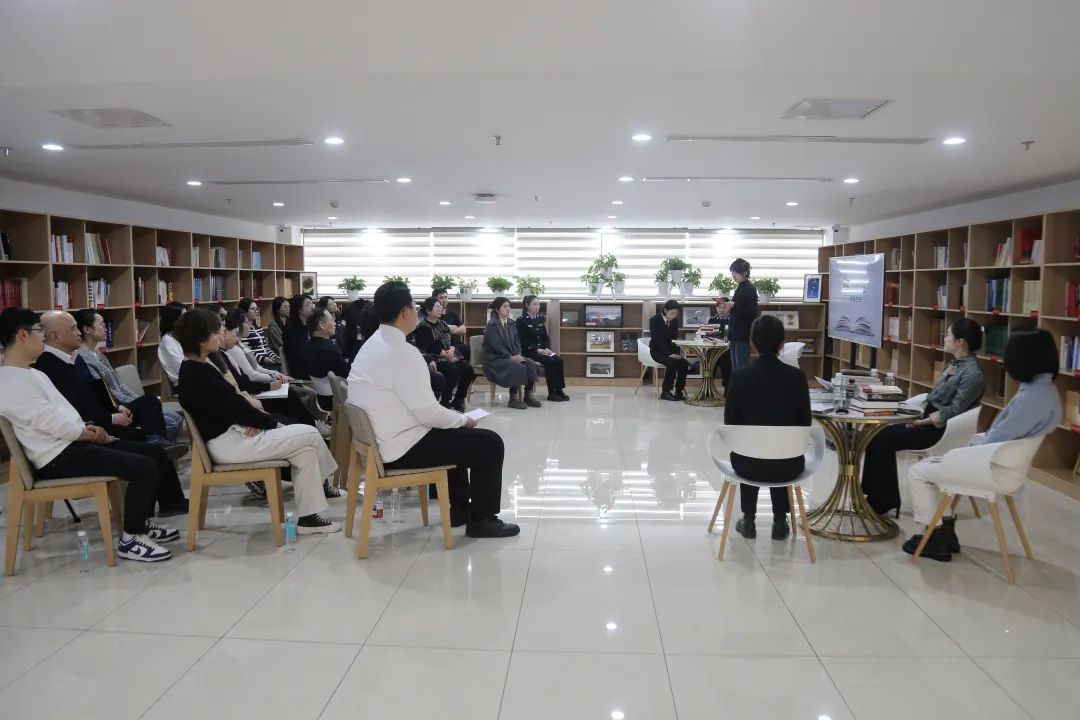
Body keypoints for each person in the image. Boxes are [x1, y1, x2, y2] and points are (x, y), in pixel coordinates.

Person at [0, 307, 179, 561]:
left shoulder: (32, 373)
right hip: (57, 456)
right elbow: (47, 422)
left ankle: (141, 523)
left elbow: (63, 413)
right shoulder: (10, 380)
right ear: (22, 335)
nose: (43, 337)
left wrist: (90, 429)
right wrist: (89, 434)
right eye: (39, 331)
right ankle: (131, 539)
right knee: (144, 467)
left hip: (72, 443)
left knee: (155, 453)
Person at [349, 282, 519, 538]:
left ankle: (460, 510)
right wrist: (462, 420)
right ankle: (482, 520)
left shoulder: (373, 344)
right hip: (401, 448)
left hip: (381, 441)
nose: (417, 312)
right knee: (490, 444)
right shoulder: (402, 352)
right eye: (414, 307)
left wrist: (454, 422)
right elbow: (427, 411)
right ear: (404, 313)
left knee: (454, 436)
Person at [175, 308, 341, 534]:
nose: (221, 334)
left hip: (235, 435)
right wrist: (272, 424)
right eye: (216, 331)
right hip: (230, 444)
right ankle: (328, 478)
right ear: (201, 339)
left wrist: (252, 421)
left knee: (305, 452)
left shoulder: (199, 367)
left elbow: (231, 406)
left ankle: (309, 518)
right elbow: (234, 407)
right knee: (310, 433)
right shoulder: (197, 373)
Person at [902, 329, 1062, 561]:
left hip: (993, 468)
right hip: (1004, 465)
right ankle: (944, 532)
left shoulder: (1030, 400)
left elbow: (996, 439)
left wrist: (963, 452)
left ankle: (935, 536)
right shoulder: (1046, 392)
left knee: (919, 472)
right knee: (936, 467)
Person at [33, 311, 190, 516]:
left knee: (150, 407)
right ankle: (166, 502)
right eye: (73, 328)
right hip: (92, 429)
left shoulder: (74, 358)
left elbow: (98, 391)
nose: (78, 332)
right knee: (152, 449)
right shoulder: (49, 366)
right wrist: (110, 418)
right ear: (56, 336)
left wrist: (116, 408)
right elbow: (73, 408)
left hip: (104, 417)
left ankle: (158, 446)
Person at [862, 318, 986, 516]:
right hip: (927, 419)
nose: (944, 338)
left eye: (948, 334)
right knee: (876, 433)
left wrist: (922, 422)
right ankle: (874, 494)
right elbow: (935, 396)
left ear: (960, 342)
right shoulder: (954, 364)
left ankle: (883, 500)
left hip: (941, 429)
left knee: (884, 440)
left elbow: (954, 410)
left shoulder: (972, 374)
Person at [724, 315, 811, 539]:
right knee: (779, 448)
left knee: (749, 446)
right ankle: (780, 521)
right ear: (782, 344)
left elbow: (730, 424)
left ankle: (748, 519)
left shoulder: (740, 377)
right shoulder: (796, 377)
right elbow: (805, 423)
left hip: (746, 464)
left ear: (752, 343)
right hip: (789, 465)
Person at [73, 309, 184, 444]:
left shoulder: (98, 354)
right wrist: (136, 403)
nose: (106, 328)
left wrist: (138, 400)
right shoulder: (84, 359)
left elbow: (119, 385)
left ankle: (163, 449)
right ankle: (158, 448)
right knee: (170, 420)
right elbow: (108, 393)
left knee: (171, 416)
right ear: (87, 329)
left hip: (125, 402)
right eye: (102, 324)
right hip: (116, 408)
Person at [412, 297, 475, 412]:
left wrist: (451, 350)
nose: (440, 309)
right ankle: (445, 401)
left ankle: (458, 399)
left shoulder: (443, 324)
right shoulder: (422, 327)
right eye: (437, 307)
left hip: (450, 355)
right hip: (435, 358)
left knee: (468, 369)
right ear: (428, 311)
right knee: (453, 371)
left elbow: (452, 340)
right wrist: (446, 355)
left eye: (441, 307)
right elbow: (428, 346)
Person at [483, 297, 541, 410]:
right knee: (517, 366)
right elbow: (496, 346)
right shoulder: (492, 325)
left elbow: (517, 342)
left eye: (509, 306)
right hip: (495, 358)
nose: (508, 309)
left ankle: (528, 395)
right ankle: (513, 398)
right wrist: (511, 357)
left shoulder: (511, 323)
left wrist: (518, 354)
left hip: (511, 356)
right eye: (505, 306)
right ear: (497, 309)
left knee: (530, 363)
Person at [516, 295, 569, 402]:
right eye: (534, 304)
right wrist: (536, 349)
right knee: (550, 361)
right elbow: (521, 341)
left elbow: (545, 337)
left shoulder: (540, 318)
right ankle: (552, 392)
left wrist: (547, 348)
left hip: (542, 350)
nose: (537, 307)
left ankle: (559, 390)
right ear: (527, 305)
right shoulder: (521, 320)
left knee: (558, 360)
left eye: (538, 304)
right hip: (529, 351)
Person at [304, 307, 351, 412]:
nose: (334, 323)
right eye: (331, 320)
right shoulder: (329, 349)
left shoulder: (307, 346)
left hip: (321, 399)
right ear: (321, 325)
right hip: (336, 400)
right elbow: (348, 375)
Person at [719, 258, 757, 375]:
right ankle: (737, 386)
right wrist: (729, 306)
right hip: (735, 333)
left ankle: (742, 387)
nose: (733, 276)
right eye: (732, 273)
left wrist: (733, 305)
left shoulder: (749, 289)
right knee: (735, 367)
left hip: (742, 333)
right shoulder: (740, 287)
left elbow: (751, 313)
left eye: (735, 273)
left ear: (744, 273)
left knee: (741, 367)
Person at [649, 299, 689, 401]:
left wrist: (676, 354)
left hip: (670, 351)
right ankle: (665, 391)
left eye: (676, 314)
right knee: (671, 362)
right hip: (657, 351)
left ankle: (679, 391)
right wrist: (669, 354)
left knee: (684, 363)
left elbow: (673, 340)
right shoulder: (654, 320)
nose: (674, 316)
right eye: (672, 313)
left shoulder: (674, 321)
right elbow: (658, 340)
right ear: (665, 310)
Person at [237, 297, 281, 369]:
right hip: (257, 363)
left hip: (268, 360)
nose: (256, 311)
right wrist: (263, 359)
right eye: (252, 309)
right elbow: (246, 351)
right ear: (244, 311)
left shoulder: (259, 328)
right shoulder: (243, 330)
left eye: (256, 309)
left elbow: (266, 347)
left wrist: (275, 357)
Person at [431, 288, 470, 361]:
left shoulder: (452, 313)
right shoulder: (433, 314)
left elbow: (463, 330)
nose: (444, 300)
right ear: (434, 299)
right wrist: (452, 328)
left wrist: (446, 330)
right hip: (441, 345)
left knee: (467, 349)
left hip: (454, 344)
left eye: (446, 297)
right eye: (441, 298)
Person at [283, 294, 314, 380]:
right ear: (299, 309)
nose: (312, 307)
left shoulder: (308, 326)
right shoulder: (291, 329)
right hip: (302, 370)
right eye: (308, 304)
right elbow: (299, 355)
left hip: (310, 365)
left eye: (312, 303)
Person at [157, 301, 187, 390]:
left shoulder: (180, 337)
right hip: (182, 384)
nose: (187, 321)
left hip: (190, 379)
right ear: (173, 320)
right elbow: (182, 368)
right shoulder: (167, 341)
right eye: (183, 318)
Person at [266, 296, 289, 363]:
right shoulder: (273, 326)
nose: (288, 309)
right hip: (280, 356)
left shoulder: (291, 322)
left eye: (289, 306)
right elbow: (280, 344)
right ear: (277, 309)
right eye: (285, 307)